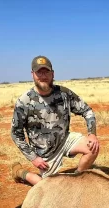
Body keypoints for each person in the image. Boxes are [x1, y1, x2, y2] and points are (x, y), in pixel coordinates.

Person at [11, 55, 99, 185]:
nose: (43, 75)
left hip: (65, 139)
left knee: (93, 148)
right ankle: (21, 173)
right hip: (45, 152)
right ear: (32, 74)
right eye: (39, 72)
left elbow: (87, 111)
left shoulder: (64, 93)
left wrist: (92, 134)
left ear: (52, 74)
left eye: (46, 71)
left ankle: (77, 181)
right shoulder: (24, 101)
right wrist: (34, 158)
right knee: (48, 187)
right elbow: (16, 134)